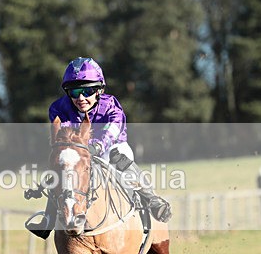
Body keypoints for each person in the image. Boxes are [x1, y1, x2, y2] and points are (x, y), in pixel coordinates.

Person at [26, 57, 171, 239]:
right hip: (79, 151)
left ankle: (152, 199)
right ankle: (48, 219)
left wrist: (97, 146)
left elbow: (113, 129)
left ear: (99, 90)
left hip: (112, 147)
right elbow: (63, 135)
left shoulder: (111, 105)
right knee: (64, 170)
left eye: (87, 91)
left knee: (120, 159)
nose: (81, 97)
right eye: (75, 91)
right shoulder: (58, 108)